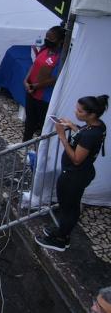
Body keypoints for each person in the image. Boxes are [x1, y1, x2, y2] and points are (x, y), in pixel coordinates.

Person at [36, 94, 108, 252]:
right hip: (81, 173)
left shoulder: (90, 135)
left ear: (92, 114)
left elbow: (76, 159)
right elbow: (84, 137)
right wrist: (73, 127)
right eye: (77, 108)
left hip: (74, 176)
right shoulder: (98, 126)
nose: (76, 112)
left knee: (68, 209)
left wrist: (62, 136)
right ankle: (62, 232)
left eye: (80, 111)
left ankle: (61, 240)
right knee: (70, 206)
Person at [22, 25, 65, 142]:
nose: (47, 40)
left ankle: (40, 149)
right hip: (31, 92)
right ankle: (24, 144)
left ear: (60, 41)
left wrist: (34, 86)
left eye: (51, 39)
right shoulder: (44, 48)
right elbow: (34, 64)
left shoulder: (61, 57)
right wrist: (26, 81)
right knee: (29, 121)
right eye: (47, 37)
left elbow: (55, 78)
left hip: (44, 97)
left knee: (42, 125)